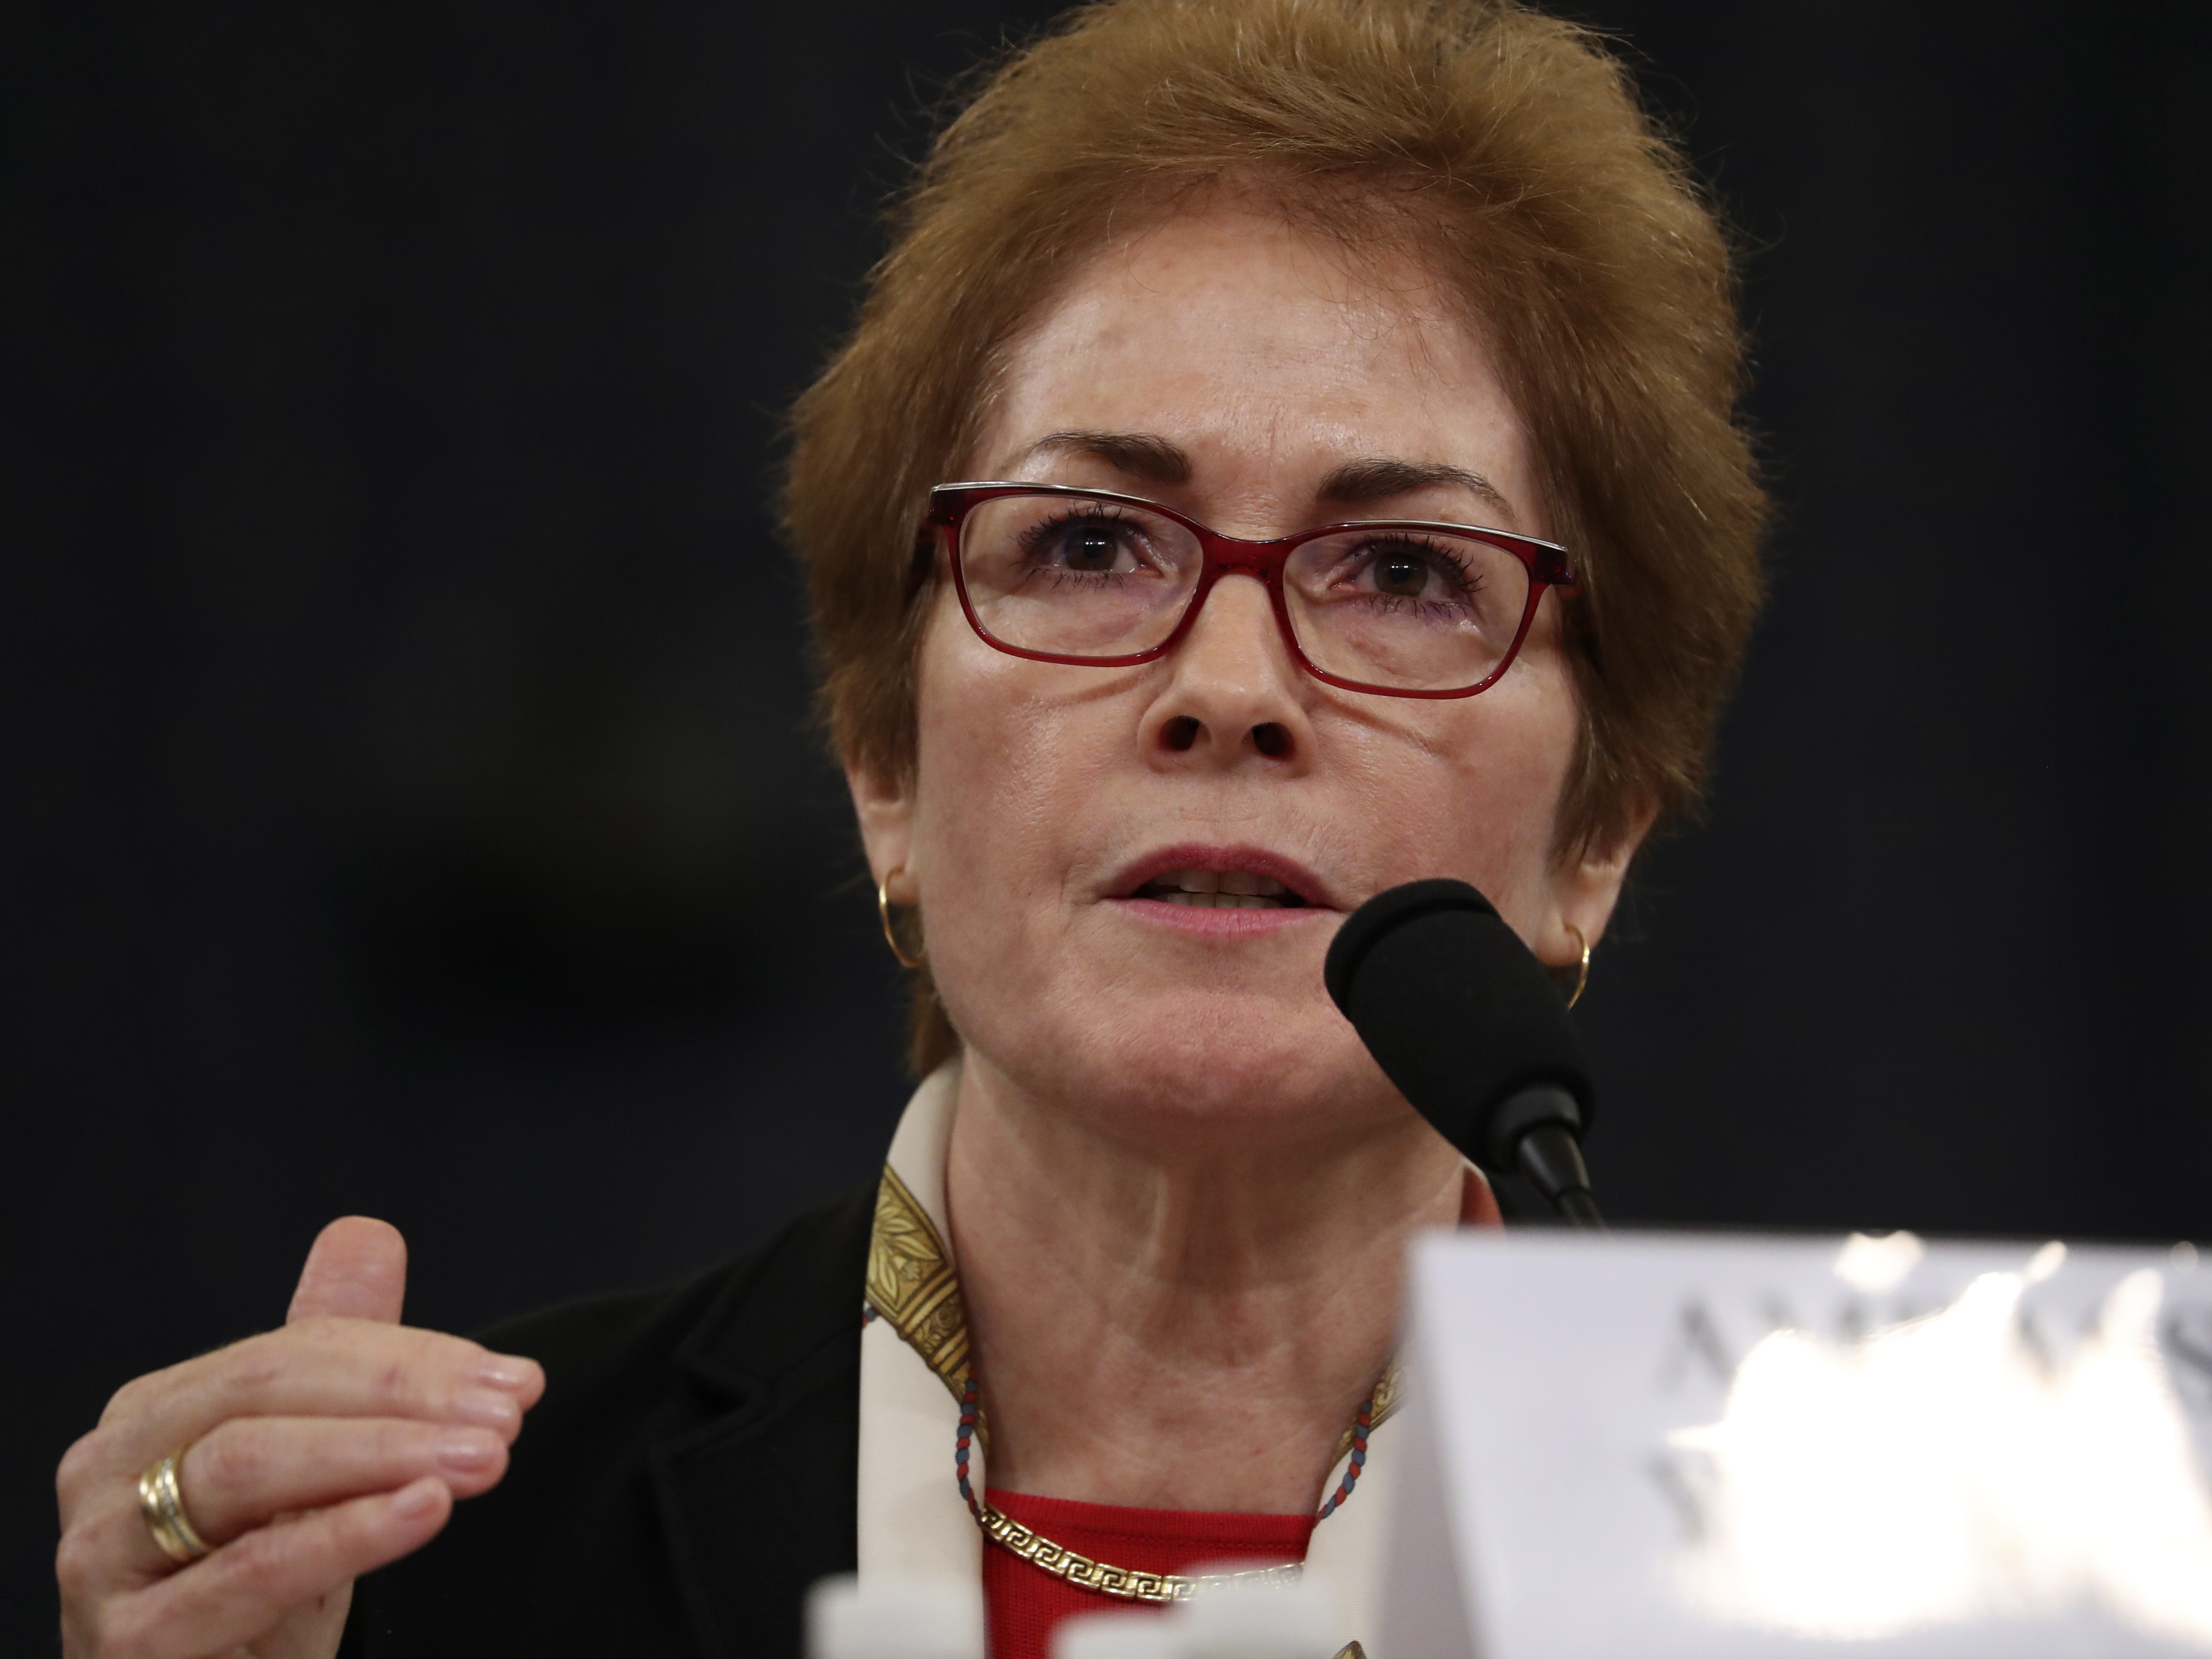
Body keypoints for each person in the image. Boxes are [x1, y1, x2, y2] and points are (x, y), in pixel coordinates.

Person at [54, 0, 1764, 1654]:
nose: (1228, 685)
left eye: (1403, 572)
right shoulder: (435, 1564)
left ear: (1599, 821)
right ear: (884, 760)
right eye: (1089, 547)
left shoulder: (1814, 1574)